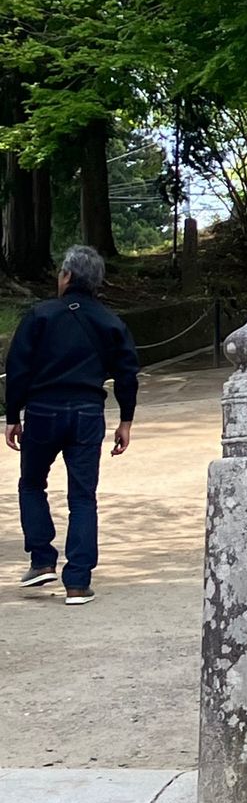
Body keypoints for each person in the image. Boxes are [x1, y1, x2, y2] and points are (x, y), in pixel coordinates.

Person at [5, 245, 140, 604]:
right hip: (86, 412)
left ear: (66, 276)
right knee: (83, 496)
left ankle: (42, 559)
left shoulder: (40, 315)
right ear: (97, 282)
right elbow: (127, 374)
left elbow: (18, 369)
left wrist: (12, 416)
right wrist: (126, 420)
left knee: (32, 484)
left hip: (43, 410)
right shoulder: (111, 321)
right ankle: (78, 582)